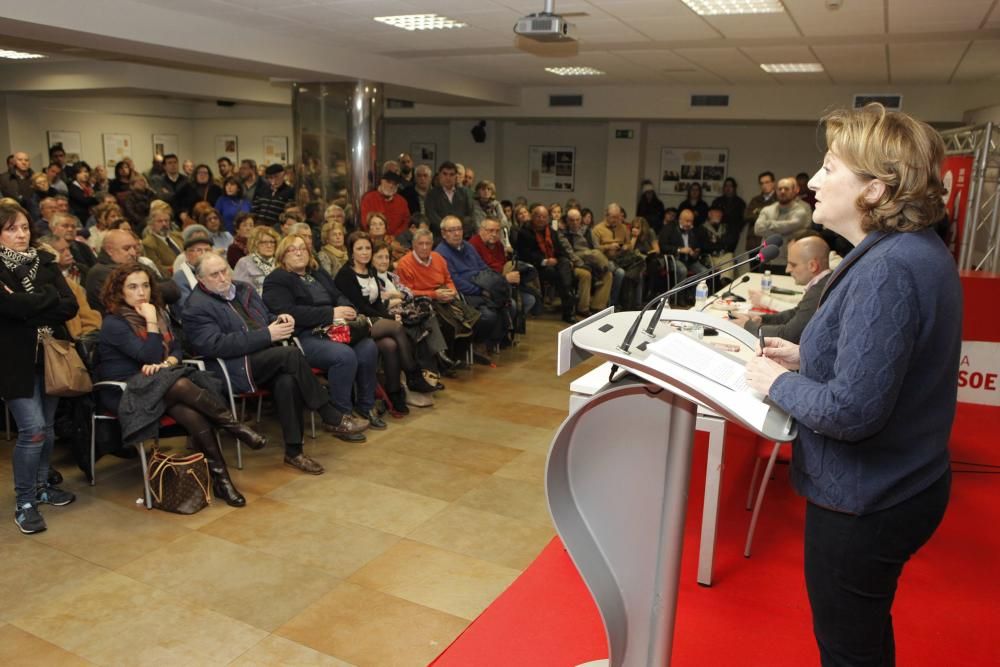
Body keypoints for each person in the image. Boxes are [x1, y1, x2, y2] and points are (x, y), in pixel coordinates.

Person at [744, 104, 961, 666]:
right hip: (904, 483)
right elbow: (883, 360)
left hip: (869, 497)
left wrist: (774, 381)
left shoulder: (888, 268)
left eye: (830, 168)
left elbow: (853, 410)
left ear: (875, 189)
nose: (813, 182)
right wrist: (806, 355)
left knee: (850, 649)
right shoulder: (910, 251)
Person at [97, 263, 266, 507]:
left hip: (160, 384)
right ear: (119, 292)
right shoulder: (115, 323)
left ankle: (222, 481)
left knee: (190, 412)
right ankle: (233, 426)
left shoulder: (155, 312)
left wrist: (168, 363)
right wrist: (152, 324)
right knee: (180, 385)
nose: (141, 292)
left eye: (145, 285)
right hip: (126, 391)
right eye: (132, 287)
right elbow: (149, 356)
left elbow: (176, 347)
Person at [183, 253, 369, 471]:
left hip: (267, 356)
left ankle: (294, 453)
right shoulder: (195, 306)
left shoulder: (244, 289)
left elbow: (265, 316)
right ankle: (330, 414)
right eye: (215, 274)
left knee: (287, 380)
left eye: (225, 270)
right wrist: (267, 335)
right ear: (201, 279)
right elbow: (214, 345)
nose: (223, 277)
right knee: (289, 354)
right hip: (234, 366)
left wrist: (279, 319)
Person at [0, 201, 79, 534]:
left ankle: (43, 484)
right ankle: (25, 501)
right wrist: (45, 300)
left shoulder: (44, 260)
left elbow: (70, 307)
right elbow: (7, 308)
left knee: (46, 428)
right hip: (13, 360)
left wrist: (27, 307)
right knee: (31, 430)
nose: (21, 234)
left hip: (51, 355)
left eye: (24, 227)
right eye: (11, 228)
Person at [262, 235, 385, 429]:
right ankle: (341, 416)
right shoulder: (277, 279)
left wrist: (347, 309)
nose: (299, 252)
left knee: (368, 347)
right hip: (305, 336)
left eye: (302, 248)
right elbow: (288, 312)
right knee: (344, 356)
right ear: (282, 256)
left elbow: (339, 295)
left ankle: (365, 406)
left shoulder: (317, 273)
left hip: (336, 329)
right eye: (292, 249)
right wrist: (330, 313)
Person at [334, 232, 438, 410]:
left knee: (390, 345)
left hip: (374, 319)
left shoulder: (371, 270)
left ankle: (394, 392)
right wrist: (387, 319)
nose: (365, 252)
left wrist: (386, 316)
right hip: (356, 323)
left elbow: (377, 302)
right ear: (351, 251)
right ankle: (413, 374)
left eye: (367, 248)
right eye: (359, 248)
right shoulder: (345, 274)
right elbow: (360, 306)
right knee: (397, 327)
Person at [732, 233, 831, 343]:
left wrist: (748, 327)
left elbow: (788, 335)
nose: (787, 270)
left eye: (793, 265)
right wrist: (763, 319)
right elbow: (794, 313)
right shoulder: (823, 283)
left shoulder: (819, 292)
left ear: (812, 266)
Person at [435, 215, 510, 349]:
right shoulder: (440, 253)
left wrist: (488, 285)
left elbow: (484, 268)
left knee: (510, 304)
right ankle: (477, 344)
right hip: (465, 295)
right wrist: (481, 290)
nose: (457, 233)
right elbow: (455, 281)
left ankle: (492, 342)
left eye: (459, 229)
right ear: (443, 233)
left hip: (482, 288)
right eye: (452, 230)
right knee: (488, 315)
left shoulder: (468, 246)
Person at [85, 229, 181, 314]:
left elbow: (173, 290)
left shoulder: (137, 264)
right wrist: (155, 290)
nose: (133, 253)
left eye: (135, 248)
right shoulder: (99, 273)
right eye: (126, 249)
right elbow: (127, 304)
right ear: (110, 250)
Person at [516, 204, 577, 323]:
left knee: (565, 263)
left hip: (553, 261)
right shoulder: (524, 232)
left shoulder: (552, 232)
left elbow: (560, 250)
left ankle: (567, 293)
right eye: (538, 216)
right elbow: (525, 254)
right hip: (537, 265)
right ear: (532, 217)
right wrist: (544, 261)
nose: (541, 219)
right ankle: (568, 305)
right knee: (557, 275)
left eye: (544, 217)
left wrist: (561, 259)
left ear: (547, 218)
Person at [754, 176, 813, 274]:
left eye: (786, 189)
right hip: (767, 261)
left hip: (789, 263)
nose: (782, 191)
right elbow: (757, 229)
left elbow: (797, 229)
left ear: (794, 191)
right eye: (779, 189)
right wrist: (785, 230)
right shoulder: (767, 209)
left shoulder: (801, 211)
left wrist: (768, 224)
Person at [424, 161, 474, 240]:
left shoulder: (464, 194)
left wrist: (458, 232)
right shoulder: (431, 195)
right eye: (445, 174)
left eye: (451, 174)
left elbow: (469, 215)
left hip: (461, 237)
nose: (448, 177)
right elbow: (432, 217)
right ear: (439, 175)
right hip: (440, 238)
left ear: (456, 177)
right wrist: (449, 231)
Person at [360, 171, 410, 237]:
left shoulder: (402, 201)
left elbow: (406, 221)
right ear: (381, 182)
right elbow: (365, 221)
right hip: (373, 238)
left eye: (394, 184)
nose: (391, 185)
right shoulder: (369, 198)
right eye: (388, 182)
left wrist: (394, 236)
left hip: (396, 240)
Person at [234, 225, 279, 295]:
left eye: (272, 242)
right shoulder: (244, 262)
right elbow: (240, 291)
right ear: (255, 244)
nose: (269, 245)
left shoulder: (279, 262)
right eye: (264, 242)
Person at [140, 206, 184, 277]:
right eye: (159, 221)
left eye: (166, 221)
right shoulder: (148, 243)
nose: (164, 224)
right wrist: (181, 267)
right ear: (151, 224)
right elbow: (158, 269)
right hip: (172, 277)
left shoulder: (178, 236)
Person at [744, 171, 777, 252]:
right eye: (761, 183)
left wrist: (758, 212)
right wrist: (766, 216)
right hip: (754, 242)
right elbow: (747, 216)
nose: (764, 185)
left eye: (767, 182)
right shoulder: (755, 200)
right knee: (754, 264)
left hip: (770, 241)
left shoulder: (778, 200)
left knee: (769, 264)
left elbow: (776, 218)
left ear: (773, 183)